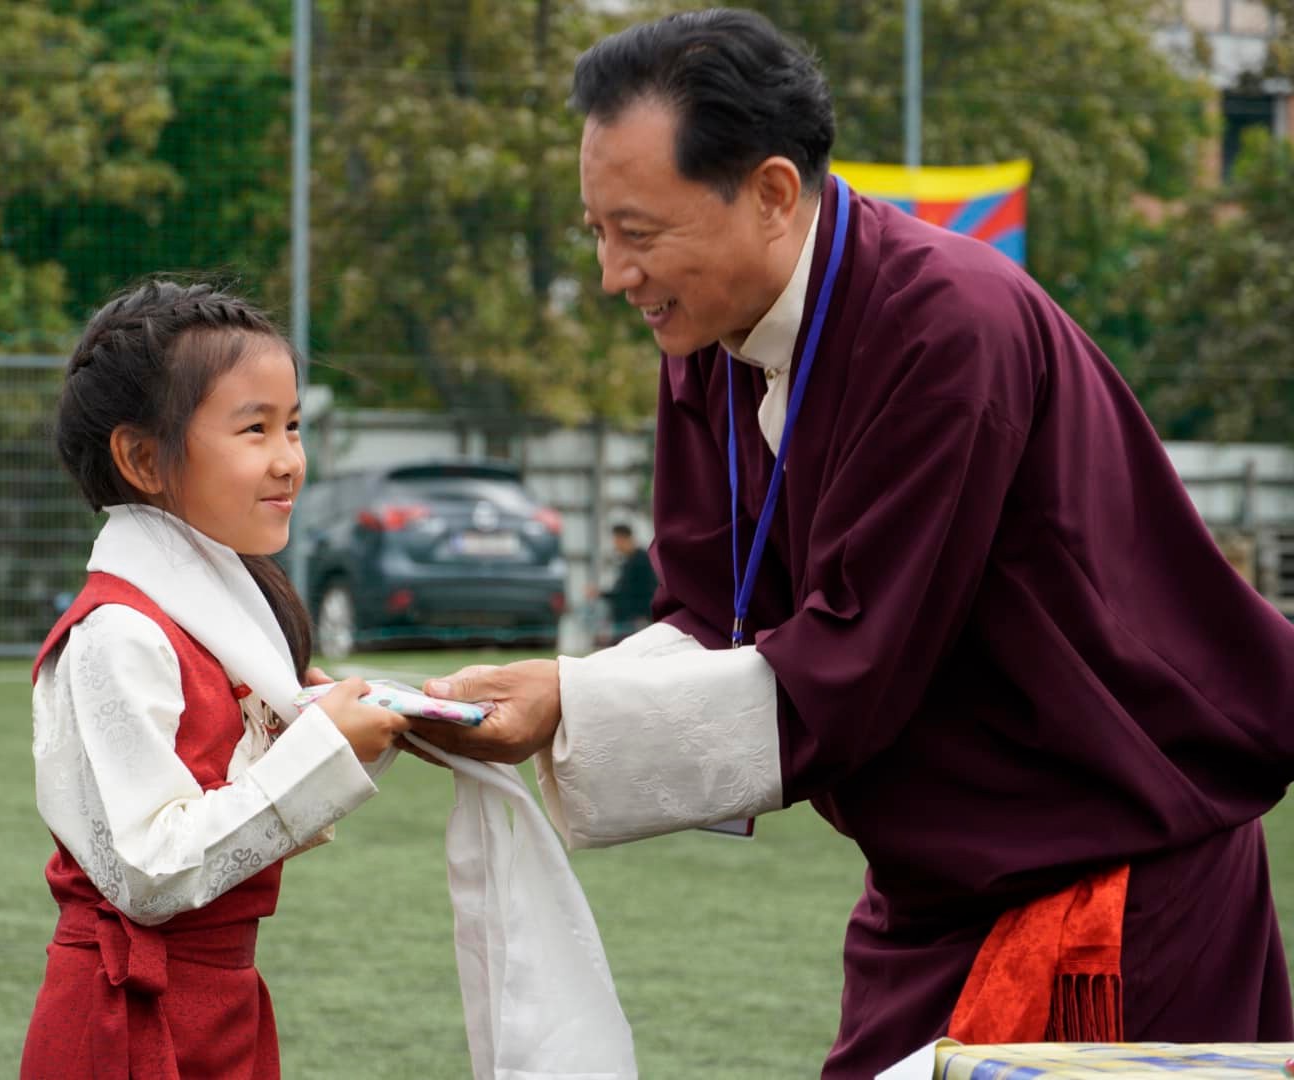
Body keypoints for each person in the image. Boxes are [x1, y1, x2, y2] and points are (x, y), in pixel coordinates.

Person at [407, 9, 1294, 1076]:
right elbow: (708, 609)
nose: (611, 276)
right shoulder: (707, 334)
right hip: (933, 886)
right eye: (594, 233)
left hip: (1107, 871)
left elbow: (855, 661)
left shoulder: (946, 327)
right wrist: (551, 697)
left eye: (638, 234)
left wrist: (570, 704)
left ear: (773, 194)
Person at [20, 281, 409, 1079]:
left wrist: (366, 729)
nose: (288, 459)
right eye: (255, 428)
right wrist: (325, 748)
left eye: (294, 426)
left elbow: (246, 810)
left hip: (219, 999)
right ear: (142, 458)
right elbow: (148, 870)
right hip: (129, 1020)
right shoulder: (120, 634)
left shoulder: (229, 610)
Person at [590, 523, 658, 642]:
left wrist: (601, 594)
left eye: (616, 540)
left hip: (635, 621)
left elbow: (630, 592)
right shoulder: (628, 560)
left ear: (623, 539)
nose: (615, 544)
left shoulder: (641, 560)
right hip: (626, 619)